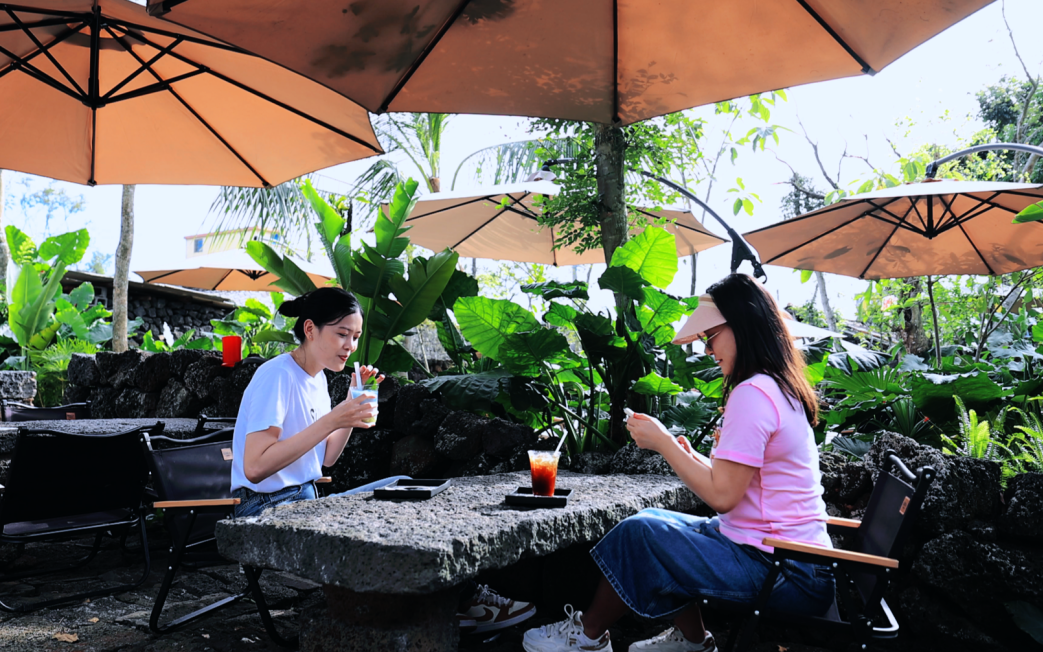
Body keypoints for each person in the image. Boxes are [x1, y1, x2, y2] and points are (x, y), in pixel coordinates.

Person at [523, 274, 835, 652]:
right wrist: (689, 456)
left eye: (711, 336)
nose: (707, 349)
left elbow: (723, 497)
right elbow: (746, 481)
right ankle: (693, 640)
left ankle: (587, 637)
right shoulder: (776, 386)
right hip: (791, 562)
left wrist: (665, 444)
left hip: (784, 572)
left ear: (742, 325)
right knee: (653, 522)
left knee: (643, 534)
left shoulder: (753, 394)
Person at [229, 286, 534, 633]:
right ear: (310, 329)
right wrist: (333, 419)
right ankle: (466, 602)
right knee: (395, 505)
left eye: (356, 337)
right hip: (264, 509)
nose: (350, 345)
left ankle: (455, 599)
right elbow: (255, 467)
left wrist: (350, 406)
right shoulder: (276, 376)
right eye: (342, 334)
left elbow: (327, 458)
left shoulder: (316, 379)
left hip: (304, 502)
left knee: (405, 488)